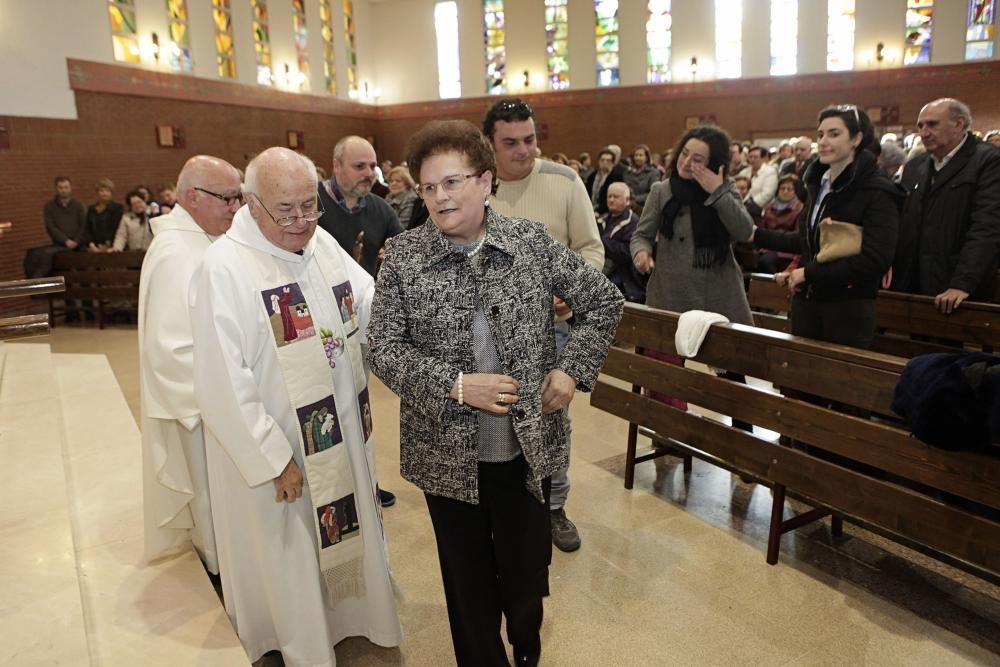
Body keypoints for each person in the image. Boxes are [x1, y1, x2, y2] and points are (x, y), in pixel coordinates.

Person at [368, 119, 623, 667]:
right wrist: (456, 386)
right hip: (445, 457)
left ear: (486, 183)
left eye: (453, 182)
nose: (439, 197)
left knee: (526, 579)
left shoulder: (530, 244)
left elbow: (604, 302)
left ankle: (527, 650)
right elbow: (383, 350)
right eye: (428, 187)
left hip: (524, 452)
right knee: (468, 586)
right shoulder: (405, 259)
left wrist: (571, 370)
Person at [191, 147, 402, 666]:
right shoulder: (224, 267)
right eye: (286, 209)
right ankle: (300, 639)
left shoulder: (318, 241)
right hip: (283, 448)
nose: (301, 221)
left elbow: (368, 298)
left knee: (342, 528)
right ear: (250, 202)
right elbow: (221, 379)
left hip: (341, 429)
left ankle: (348, 619)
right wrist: (273, 456)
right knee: (289, 551)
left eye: (309, 206)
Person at [484, 98, 604, 553]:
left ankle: (554, 506)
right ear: (490, 145)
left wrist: (569, 292)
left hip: (548, 328)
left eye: (530, 139)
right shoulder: (479, 186)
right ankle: (508, 504)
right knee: (495, 418)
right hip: (488, 331)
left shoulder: (563, 181)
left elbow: (591, 249)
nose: (524, 151)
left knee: (550, 420)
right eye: (510, 142)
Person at [140, 154, 243, 573]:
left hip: (220, 395)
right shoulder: (176, 252)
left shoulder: (202, 239)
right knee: (212, 500)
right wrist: (222, 400)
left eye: (239, 197)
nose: (235, 208)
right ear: (191, 197)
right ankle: (221, 569)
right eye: (227, 198)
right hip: (203, 410)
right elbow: (169, 349)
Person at [754, 105, 900, 348]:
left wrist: (808, 273)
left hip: (847, 306)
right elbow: (810, 240)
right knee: (800, 378)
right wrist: (756, 235)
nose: (823, 141)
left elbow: (876, 259)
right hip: (808, 299)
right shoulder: (818, 183)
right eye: (820, 134)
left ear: (857, 138)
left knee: (837, 382)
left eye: (834, 134)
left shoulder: (877, 190)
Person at [632, 125, 755, 325]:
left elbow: (744, 231)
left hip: (717, 294)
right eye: (684, 154)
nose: (686, 162)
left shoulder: (725, 188)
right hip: (669, 292)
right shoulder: (661, 190)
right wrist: (641, 252)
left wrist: (716, 191)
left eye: (697, 160)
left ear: (713, 163)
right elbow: (641, 236)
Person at [891, 98, 1000, 312]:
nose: (923, 132)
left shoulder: (989, 161)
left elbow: (987, 227)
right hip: (913, 281)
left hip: (957, 286)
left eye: (932, 124)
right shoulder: (915, 166)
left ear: (959, 125)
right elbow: (902, 222)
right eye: (920, 126)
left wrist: (963, 283)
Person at [316, 135, 404, 278]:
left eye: (372, 166)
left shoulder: (381, 209)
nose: (369, 173)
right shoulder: (310, 203)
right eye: (359, 166)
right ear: (337, 166)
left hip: (367, 296)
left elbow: (406, 249)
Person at [599, 182, 645, 302]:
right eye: (609, 196)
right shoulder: (602, 220)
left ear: (627, 200)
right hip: (603, 269)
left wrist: (603, 242)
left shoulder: (633, 222)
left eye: (616, 197)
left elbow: (628, 252)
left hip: (624, 277)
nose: (611, 200)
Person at [755, 174, 804, 273]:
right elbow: (762, 227)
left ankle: (773, 287)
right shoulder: (769, 206)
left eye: (789, 189)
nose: (785, 191)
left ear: (795, 192)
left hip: (785, 250)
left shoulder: (800, 208)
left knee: (766, 261)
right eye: (782, 188)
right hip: (767, 247)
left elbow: (797, 236)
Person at [44, 176, 87, 249]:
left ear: (70, 188)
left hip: (79, 245)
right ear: (56, 189)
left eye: (66, 187)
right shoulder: (49, 206)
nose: (63, 190)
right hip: (59, 244)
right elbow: (50, 226)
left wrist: (76, 241)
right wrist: (66, 241)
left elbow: (84, 225)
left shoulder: (79, 205)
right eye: (60, 187)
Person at [85, 177, 124, 250]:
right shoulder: (92, 209)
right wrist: (92, 244)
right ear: (97, 192)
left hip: (111, 246)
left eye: (107, 191)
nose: (104, 193)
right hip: (94, 246)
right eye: (101, 191)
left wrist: (108, 243)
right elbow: (88, 228)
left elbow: (116, 227)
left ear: (111, 193)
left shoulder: (117, 208)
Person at [585, 148, 626, 215]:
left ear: (613, 163)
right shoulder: (592, 176)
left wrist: (598, 211)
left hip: (607, 212)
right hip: (590, 209)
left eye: (608, 160)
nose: (605, 162)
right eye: (602, 160)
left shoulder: (617, 177)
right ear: (599, 161)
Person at [624, 143, 660, 213]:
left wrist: (636, 198)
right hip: (628, 206)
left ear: (646, 157)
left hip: (645, 207)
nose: (638, 158)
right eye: (636, 155)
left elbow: (653, 193)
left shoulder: (653, 173)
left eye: (641, 155)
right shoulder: (627, 173)